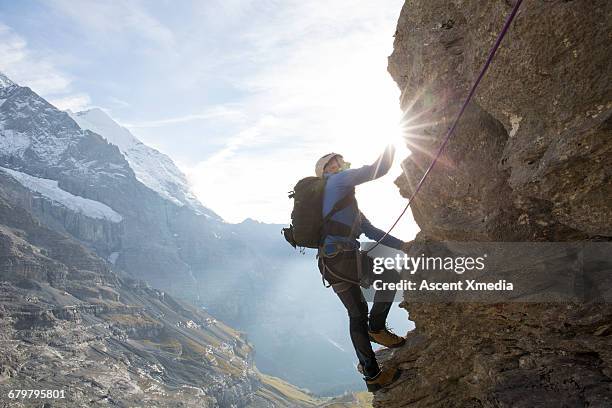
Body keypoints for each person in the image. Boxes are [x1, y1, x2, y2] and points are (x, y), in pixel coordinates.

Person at [315, 145, 407, 392]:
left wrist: (407, 246)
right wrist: (397, 138)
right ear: (326, 172)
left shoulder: (344, 204)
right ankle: (377, 328)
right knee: (391, 276)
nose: (339, 166)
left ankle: (372, 375)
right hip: (344, 259)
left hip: (330, 263)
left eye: (341, 162)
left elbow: (373, 232)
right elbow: (379, 168)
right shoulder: (337, 182)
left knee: (356, 315)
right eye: (333, 164)